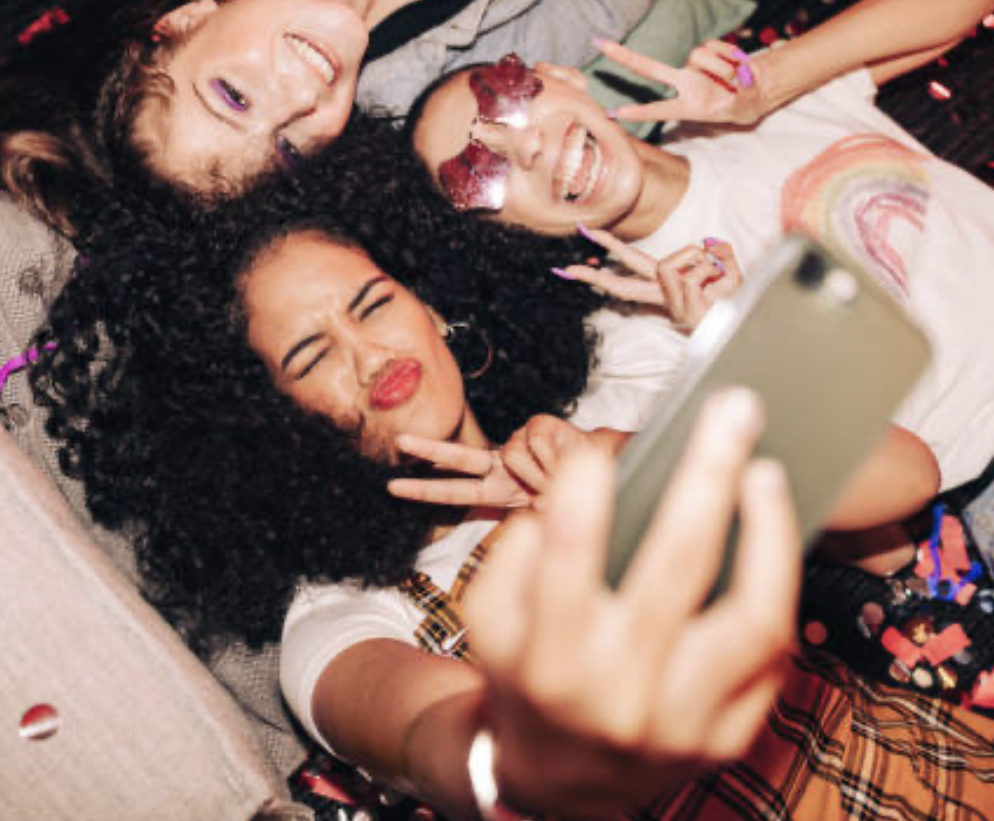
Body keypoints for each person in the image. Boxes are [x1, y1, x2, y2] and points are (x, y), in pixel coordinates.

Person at [30, 132, 994, 821]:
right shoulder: (340, 623)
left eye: (373, 303)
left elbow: (903, 475)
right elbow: (448, 749)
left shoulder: (609, 409)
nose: (370, 353)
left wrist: (615, 460)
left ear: (430, 306)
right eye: (312, 356)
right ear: (267, 422)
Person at [408, 0, 994, 496]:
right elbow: (873, 485)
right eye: (482, 174)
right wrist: (736, 342)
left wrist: (774, 79)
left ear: (562, 77)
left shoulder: (745, 103)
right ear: (506, 235)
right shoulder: (633, 345)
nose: (529, 147)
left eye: (508, 104)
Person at [1, 0, 966, 226]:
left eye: (232, 93)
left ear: (181, 22)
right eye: (289, 146)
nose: (300, 95)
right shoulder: (418, 96)